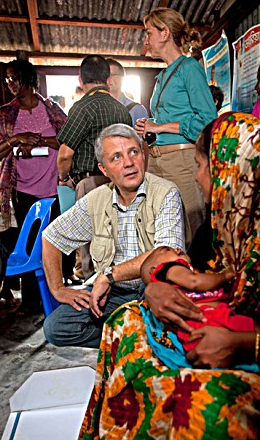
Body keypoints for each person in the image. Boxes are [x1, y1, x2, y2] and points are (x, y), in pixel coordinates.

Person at [75, 111, 260, 440]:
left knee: (205, 404)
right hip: (225, 337)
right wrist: (154, 287)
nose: (197, 177)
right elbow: (169, 261)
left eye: (201, 165)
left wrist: (245, 343)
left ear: (233, 168)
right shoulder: (227, 222)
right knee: (123, 324)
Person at [42, 123, 188, 348]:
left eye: (133, 152)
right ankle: (134, 335)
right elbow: (51, 237)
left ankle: (131, 333)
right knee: (57, 328)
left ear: (142, 155)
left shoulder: (166, 193)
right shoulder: (97, 199)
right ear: (104, 169)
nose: (129, 163)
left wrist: (110, 275)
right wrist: (58, 289)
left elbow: (166, 255)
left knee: (169, 318)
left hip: (153, 291)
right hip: (112, 294)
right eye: (116, 158)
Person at [0, 59, 68, 316]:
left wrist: (40, 140)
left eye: (14, 78)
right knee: (30, 243)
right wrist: (16, 140)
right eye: (7, 79)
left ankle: (56, 294)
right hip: (23, 189)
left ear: (28, 79)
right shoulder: (6, 113)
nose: (9, 83)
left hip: (52, 188)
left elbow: (67, 140)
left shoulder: (52, 109)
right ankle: (32, 303)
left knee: (54, 243)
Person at [135, 8, 217, 241]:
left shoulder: (189, 68)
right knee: (159, 228)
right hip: (157, 159)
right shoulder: (163, 76)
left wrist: (160, 127)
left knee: (192, 229)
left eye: (149, 33)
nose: (146, 40)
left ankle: (196, 276)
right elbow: (168, 120)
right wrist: (150, 125)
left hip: (181, 161)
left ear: (164, 33)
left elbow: (207, 120)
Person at [140, 245, 255, 365]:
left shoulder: (174, 282)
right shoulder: (168, 267)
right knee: (252, 330)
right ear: (154, 270)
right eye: (167, 250)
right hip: (208, 317)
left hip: (195, 327)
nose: (178, 249)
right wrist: (224, 276)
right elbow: (195, 282)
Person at [56, 55, 132, 190]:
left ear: (80, 80)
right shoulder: (122, 110)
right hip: (118, 182)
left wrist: (64, 178)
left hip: (89, 184)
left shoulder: (81, 108)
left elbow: (65, 155)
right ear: (108, 81)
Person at [106, 58, 149, 127]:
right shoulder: (96, 108)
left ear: (122, 78)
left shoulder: (136, 109)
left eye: (112, 75)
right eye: (104, 75)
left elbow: (144, 136)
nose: (107, 79)